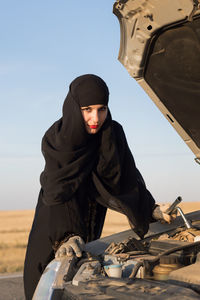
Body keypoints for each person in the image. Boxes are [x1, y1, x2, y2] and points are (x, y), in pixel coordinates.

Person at [23, 74, 174, 299]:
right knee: (46, 285)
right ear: (75, 107)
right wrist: (65, 235)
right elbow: (56, 191)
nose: (96, 118)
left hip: (89, 222)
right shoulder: (58, 140)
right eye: (87, 109)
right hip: (54, 226)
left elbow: (126, 178)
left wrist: (149, 208)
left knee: (82, 281)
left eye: (101, 109)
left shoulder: (111, 134)